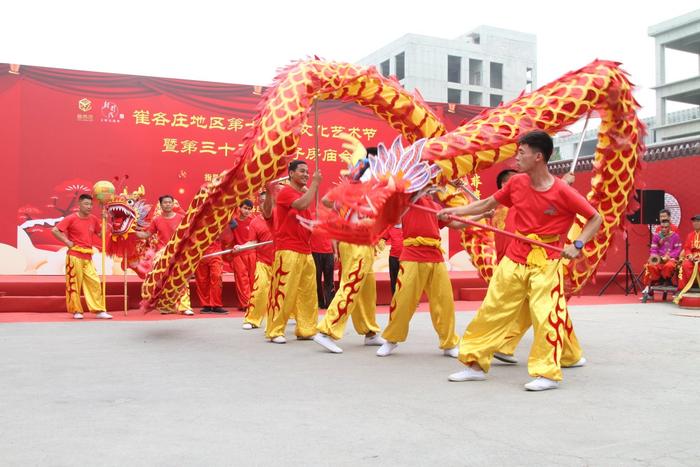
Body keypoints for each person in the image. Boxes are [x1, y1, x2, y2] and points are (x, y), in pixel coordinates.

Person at [441, 130, 602, 391]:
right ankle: (474, 364)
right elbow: (485, 205)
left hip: (547, 260)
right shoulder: (516, 184)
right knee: (492, 309)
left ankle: (546, 373)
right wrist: (456, 211)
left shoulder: (562, 191)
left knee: (545, 315)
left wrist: (578, 244)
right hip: (515, 256)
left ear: (538, 157)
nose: (517, 157)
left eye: (522, 152)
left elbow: (595, 218)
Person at [491, 169, 586, 368]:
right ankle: (566, 356)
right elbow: (544, 213)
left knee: (537, 307)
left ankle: (506, 345)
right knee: (549, 307)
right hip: (524, 263)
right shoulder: (512, 208)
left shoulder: (510, 207)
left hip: (519, 263)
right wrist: (564, 185)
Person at [375, 189, 469, 358]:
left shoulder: (435, 206)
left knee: (444, 302)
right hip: (412, 255)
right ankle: (391, 340)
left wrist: (482, 214)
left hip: (435, 257)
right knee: (402, 300)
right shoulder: (408, 200)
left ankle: (449, 343)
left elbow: (457, 224)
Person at [265, 160, 321, 343]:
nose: (306, 174)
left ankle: (306, 329)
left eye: (308, 172)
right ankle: (275, 330)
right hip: (288, 249)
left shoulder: (300, 192)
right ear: (291, 174)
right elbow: (302, 205)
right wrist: (314, 184)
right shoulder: (285, 192)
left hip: (306, 250)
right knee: (283, 291)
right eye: (302, 171)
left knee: (308, 293)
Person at [51, 194, 112, 320]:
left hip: (88, 257)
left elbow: (101, 235)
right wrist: (67, 242)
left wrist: (105, 221)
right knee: (74, 284)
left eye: (90, 204)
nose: (89, 207)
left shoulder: (94, 219)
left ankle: (99, 310)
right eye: (86, 204)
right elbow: (55, 230)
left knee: (94, 282)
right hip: (74, 256)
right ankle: (76, 310)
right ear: (79, 204)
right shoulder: (71, 218)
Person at [136, 195, 193, 315]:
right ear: (161, 205)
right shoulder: (157, 220)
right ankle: (165, 305)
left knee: (182, 279)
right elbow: (147, 234)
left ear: (173, 204)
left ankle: (185, 306)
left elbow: (188, 235)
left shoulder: (181, 218)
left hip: (178, 252)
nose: (168, 204)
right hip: (162, 254)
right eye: (165, 203)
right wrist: (132, 232)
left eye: (170, 202)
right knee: (161, 280)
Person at [242, 188, 276, 330]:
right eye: (261, 202)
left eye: (267, 201)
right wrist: (241, 247)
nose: (264, 204)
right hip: (263, 262)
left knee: (289, 292)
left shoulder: (283, 218)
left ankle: (296, 319)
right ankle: (252, 319)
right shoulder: (255, 222)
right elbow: (252, 242)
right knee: (260, 289)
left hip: (283, 261)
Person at [228, 200, 256, 312]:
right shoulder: (233, 222)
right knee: (241, 279)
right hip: (238, 254)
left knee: (253, 279)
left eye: (249, 209)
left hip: (252, 253)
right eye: (245, 208)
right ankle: (246, 304)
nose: (247, 211)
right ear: (239, 208)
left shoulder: (253, 221)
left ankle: (254, 302)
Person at [642, 217, 682, 288]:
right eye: (662, 227)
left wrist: (669, 256)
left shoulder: (675, 236)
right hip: (659, 258)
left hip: (670, 258)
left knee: (669, 266)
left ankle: (666, 280)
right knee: (650, 265)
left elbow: (677, 250)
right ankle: (657, 280)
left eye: (666, 227)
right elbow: (653, 249)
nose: (663, 229)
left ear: (670, 227)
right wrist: (656, 257)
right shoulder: (657, 236)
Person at [310, 229, 336, 309]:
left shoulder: (331, 216)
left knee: (329, 280)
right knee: (316, 279)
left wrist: (335, 252)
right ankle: (319, 302)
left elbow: (333, 235)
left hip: (328, 252)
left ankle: (330, 302)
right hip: (315, 252)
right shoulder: (311, 216)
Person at [677, 214, 700, 291]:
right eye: (694, 221)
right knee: (685, 265)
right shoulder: (690, 235)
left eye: (698, 221)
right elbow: (686, 248)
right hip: (692, 257)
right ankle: (683, 290)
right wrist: (690, 256)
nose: (695, 223)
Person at [383, 224, 403, 295]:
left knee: (407, 279)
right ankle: (394, 300)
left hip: (405, 258)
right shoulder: (390, 227)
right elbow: (382, 238)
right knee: (394, 280)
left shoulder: (407, 226)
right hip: (393, 257)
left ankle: (408, 300)